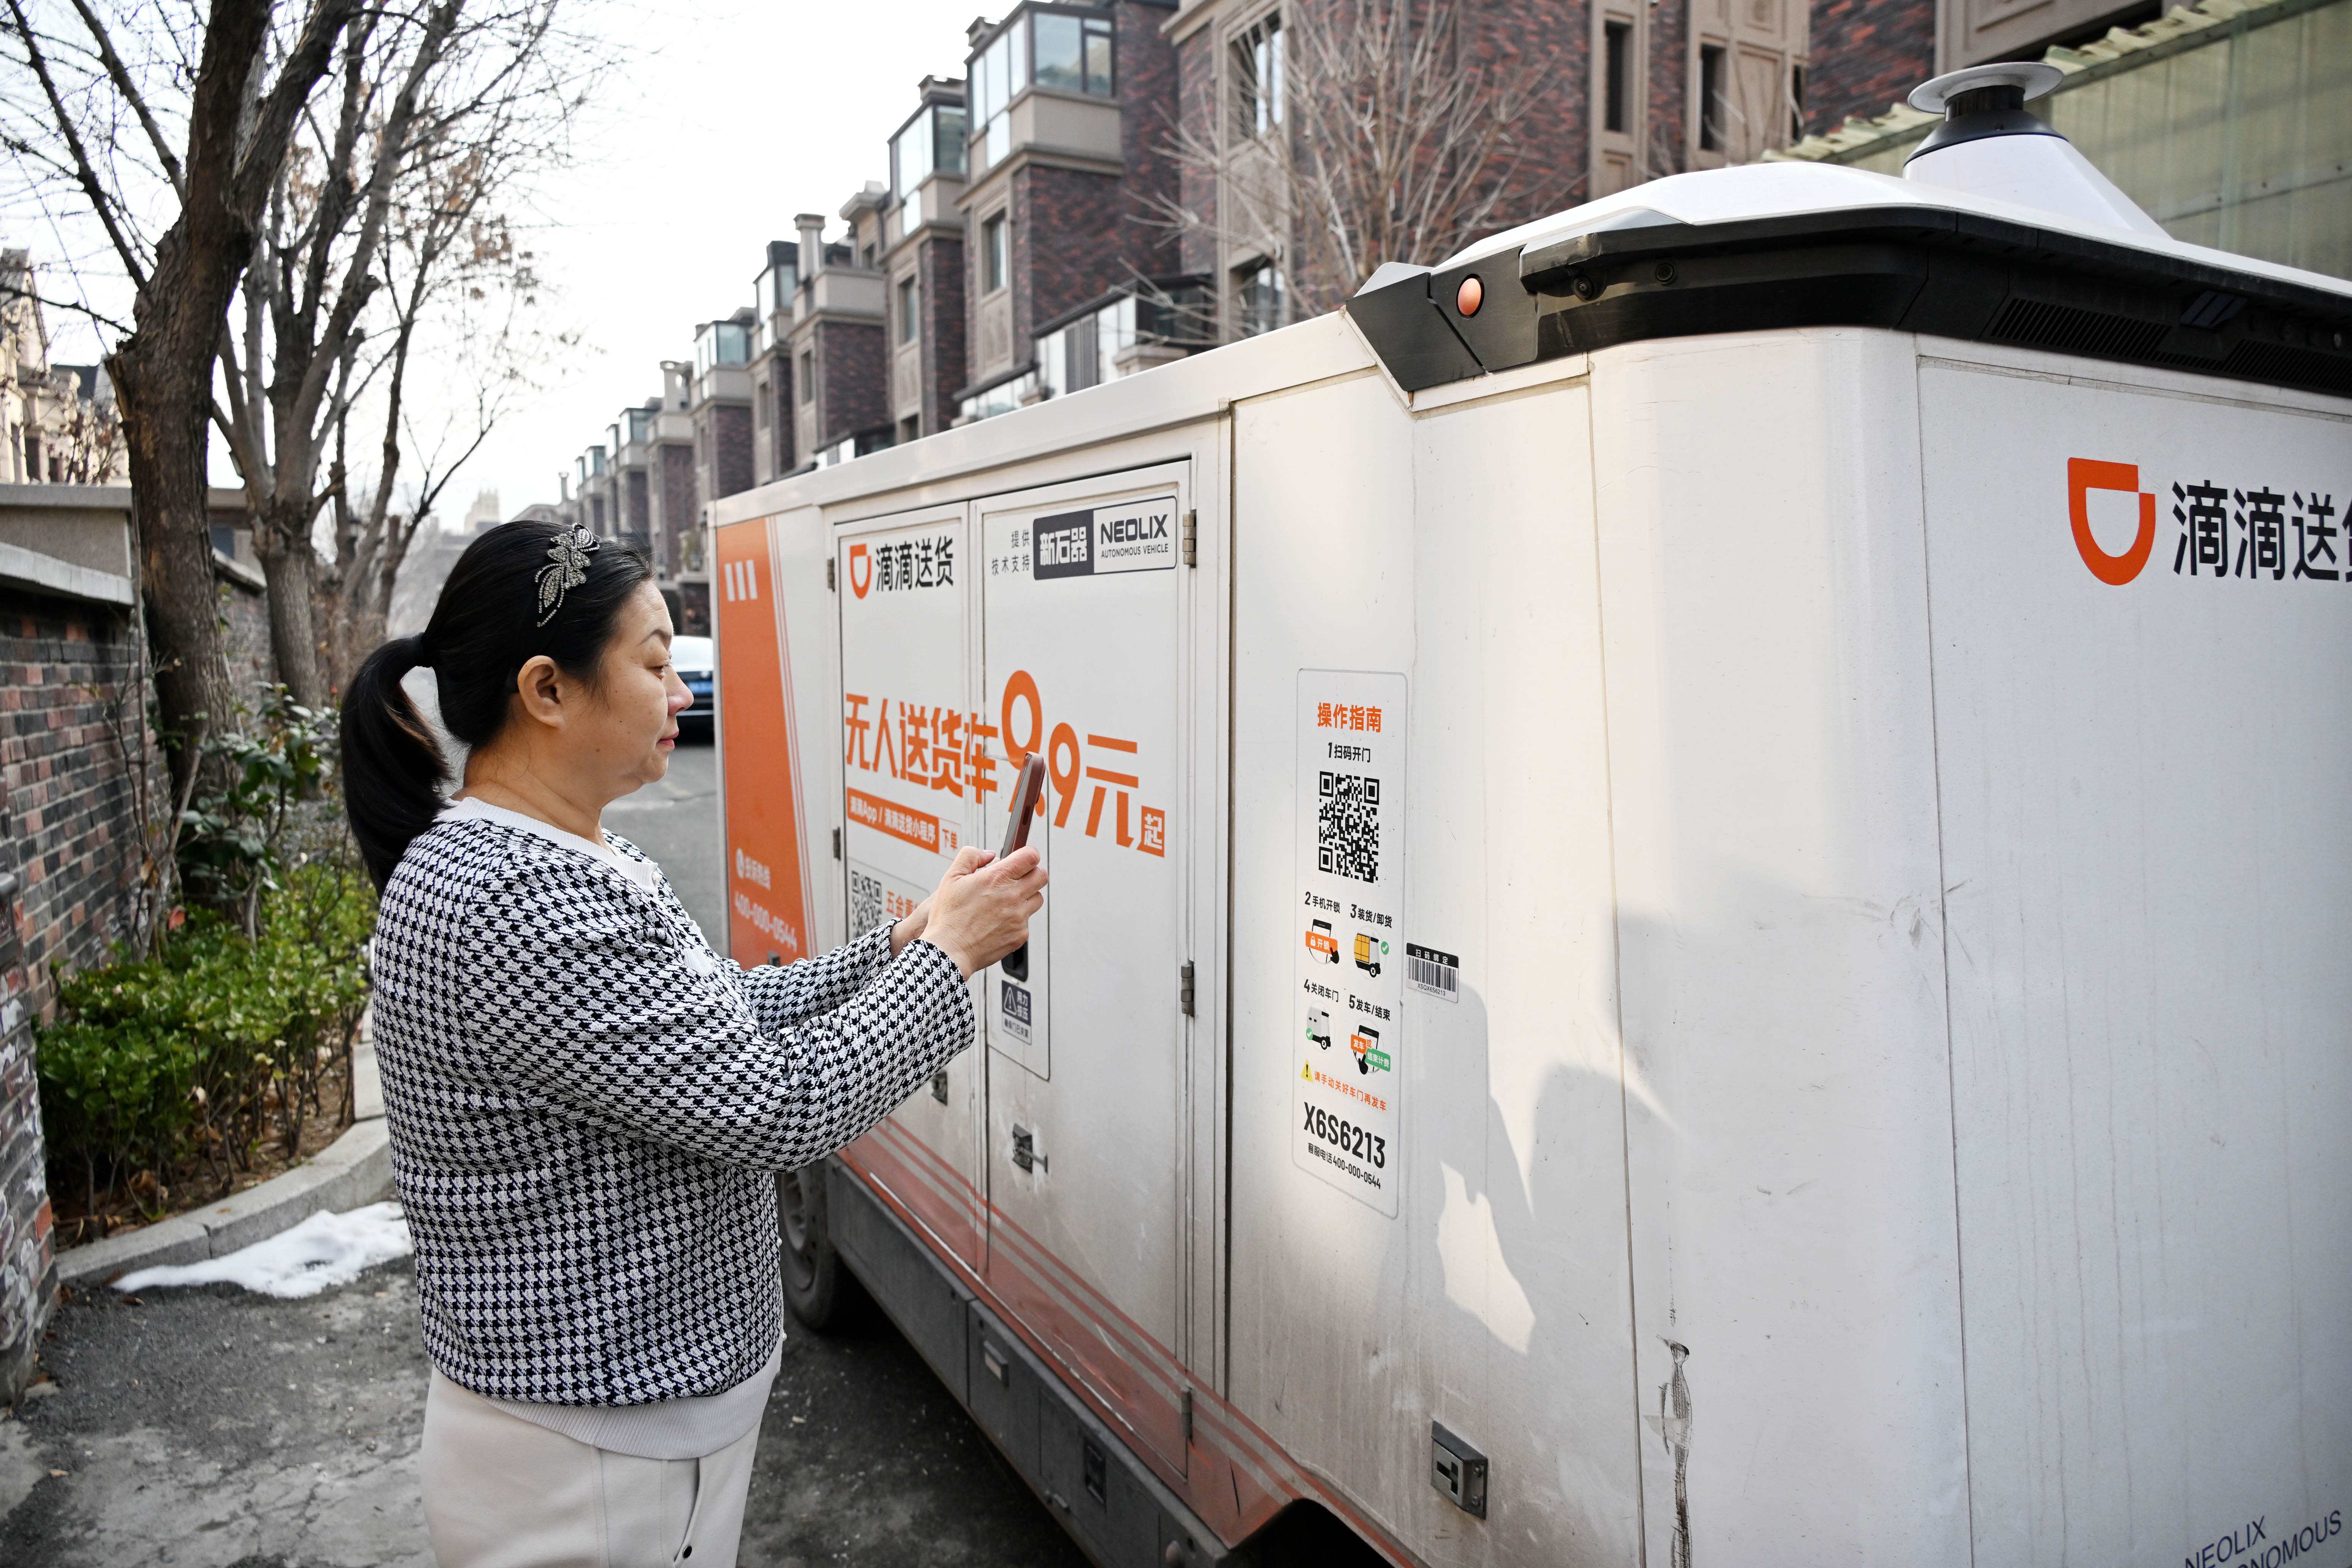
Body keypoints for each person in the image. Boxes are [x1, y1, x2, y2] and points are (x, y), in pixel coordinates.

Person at [340, 520, 1043, 1568]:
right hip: (589, 1457)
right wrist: (946, 963)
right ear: (546, 691)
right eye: (657, 663)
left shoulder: (568, 849)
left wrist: (908, 938)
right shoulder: (513, 900)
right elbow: (774, 1106)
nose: (682, 693)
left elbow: (722, 1018)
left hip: (616, 1431)